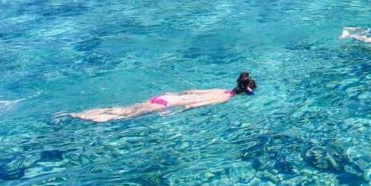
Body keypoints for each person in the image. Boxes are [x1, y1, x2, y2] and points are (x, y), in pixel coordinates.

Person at [66, 72, 257, 122]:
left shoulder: (221, 90)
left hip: (166, 97)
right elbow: (196, 104)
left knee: (123, 109)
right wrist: (179, 112)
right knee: (121, 117)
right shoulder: (225, 98)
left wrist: (175, 99)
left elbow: (192, 92)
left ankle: (75, 113)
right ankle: (82, 117)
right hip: (165, 106)